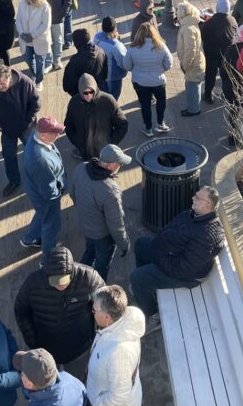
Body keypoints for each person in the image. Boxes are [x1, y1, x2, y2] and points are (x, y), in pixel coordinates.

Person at [130, 186, 225, 325]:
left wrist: (159, 256)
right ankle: (146, 288)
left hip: (188, 277)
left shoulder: (207, 236)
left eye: (197, 197)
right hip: (170, 255)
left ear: (207, 205)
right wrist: (159, 248)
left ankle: (153, 314)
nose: (193, 198)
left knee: (137, 277)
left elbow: (184, 270)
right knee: (141, 244)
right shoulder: (194, 214)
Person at [14, 245, 103, 385]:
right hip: (47, 349)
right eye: (55, 281)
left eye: (63, 281)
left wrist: (98, 334)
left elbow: (104, 305)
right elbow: (21, 310)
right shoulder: (33, 283)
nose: (59, 286)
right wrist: (32, 340)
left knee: (77, 382)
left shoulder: (89, 277)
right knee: (49, 384)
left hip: (79, 348)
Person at [71, 144, 132, 281]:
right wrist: (124, 244)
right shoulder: (110, 190)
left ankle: (78, 279)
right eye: (119, 164)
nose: (120, 166)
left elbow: (73, 194)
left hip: (86, 227)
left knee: (89, 251)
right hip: (103, 237)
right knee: (101, 266)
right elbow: (116, 225)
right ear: (110, 165)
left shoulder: (81, 168)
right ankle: (97, 291)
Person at [0, 64, 39, 197]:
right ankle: (14, 181)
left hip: (26, 126)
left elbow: (36, 103)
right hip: (7, 127)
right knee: (8, 155)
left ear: (9, 78)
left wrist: (28, 121)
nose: (0, 87)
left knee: (35, 153)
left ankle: (39, 179)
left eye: (3, 84)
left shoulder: (25, 82)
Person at [21, 116, 67, 252]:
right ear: (42, 135)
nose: (58, 135)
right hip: (47, 197)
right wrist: (57, 195)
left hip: (36, 190)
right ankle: (48, 260)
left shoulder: (35, 137)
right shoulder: (41, 161)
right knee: (52, 226)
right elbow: (48, 190)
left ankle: (29, 239)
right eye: (54, 133)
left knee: (42, 214)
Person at [124, 22, 173, 137]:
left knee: (145, 104)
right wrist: (161, 70)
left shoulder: (132, 48)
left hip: (140, 82)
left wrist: (135, 70)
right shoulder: (161, 46)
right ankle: (160, 124)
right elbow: (169, 63)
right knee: (161, 102)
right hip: (158, 81)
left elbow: (127, 65)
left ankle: (148, 128)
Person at [16, 0, 52, 89]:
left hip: (39, 39)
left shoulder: (44, 6)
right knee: (27, 58)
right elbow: (18, 20)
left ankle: (39, 81)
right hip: (25, 39)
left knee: (40, 62)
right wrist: (22, 33)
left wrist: (33, 35)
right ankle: (35, 74)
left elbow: (46, 25)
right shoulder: (22, 3)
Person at [201, 0, 237, 103]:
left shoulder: (210, 22)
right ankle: (227, 96)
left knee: (210, 75)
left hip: (211, 54)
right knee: (226, 76)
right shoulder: (233, 20)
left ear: (217, 8)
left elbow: (204, 36)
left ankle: (208, 95)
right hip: (226, 54)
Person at [39, 0, 71, 70]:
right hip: (43, 18)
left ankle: (57, 60)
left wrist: (63, 13)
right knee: (46, 41)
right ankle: (48, 62)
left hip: (57, 18)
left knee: (58, 40)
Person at [176, 1, 205, 117]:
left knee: (192, 87)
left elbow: (190, 50)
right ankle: (193, 107)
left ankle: (194, 109)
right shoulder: (191, 23)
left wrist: (185, 65)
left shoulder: (187, 28)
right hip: (197, 62)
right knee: (193, 86)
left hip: (192, 65)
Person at [63, 28, 107, 96]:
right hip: (100, 93)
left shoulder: (75, 61)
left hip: (83, 97)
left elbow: (67, 85)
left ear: (77, 43)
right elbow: (105, 73)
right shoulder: (101, 51)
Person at [93, 16, 128, 100]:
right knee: (113, 97)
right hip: (112, 76)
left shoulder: (96, 37)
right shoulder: (116, 46)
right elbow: (124, 62)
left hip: (99, 72)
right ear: (114, 28)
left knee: (103, 95)